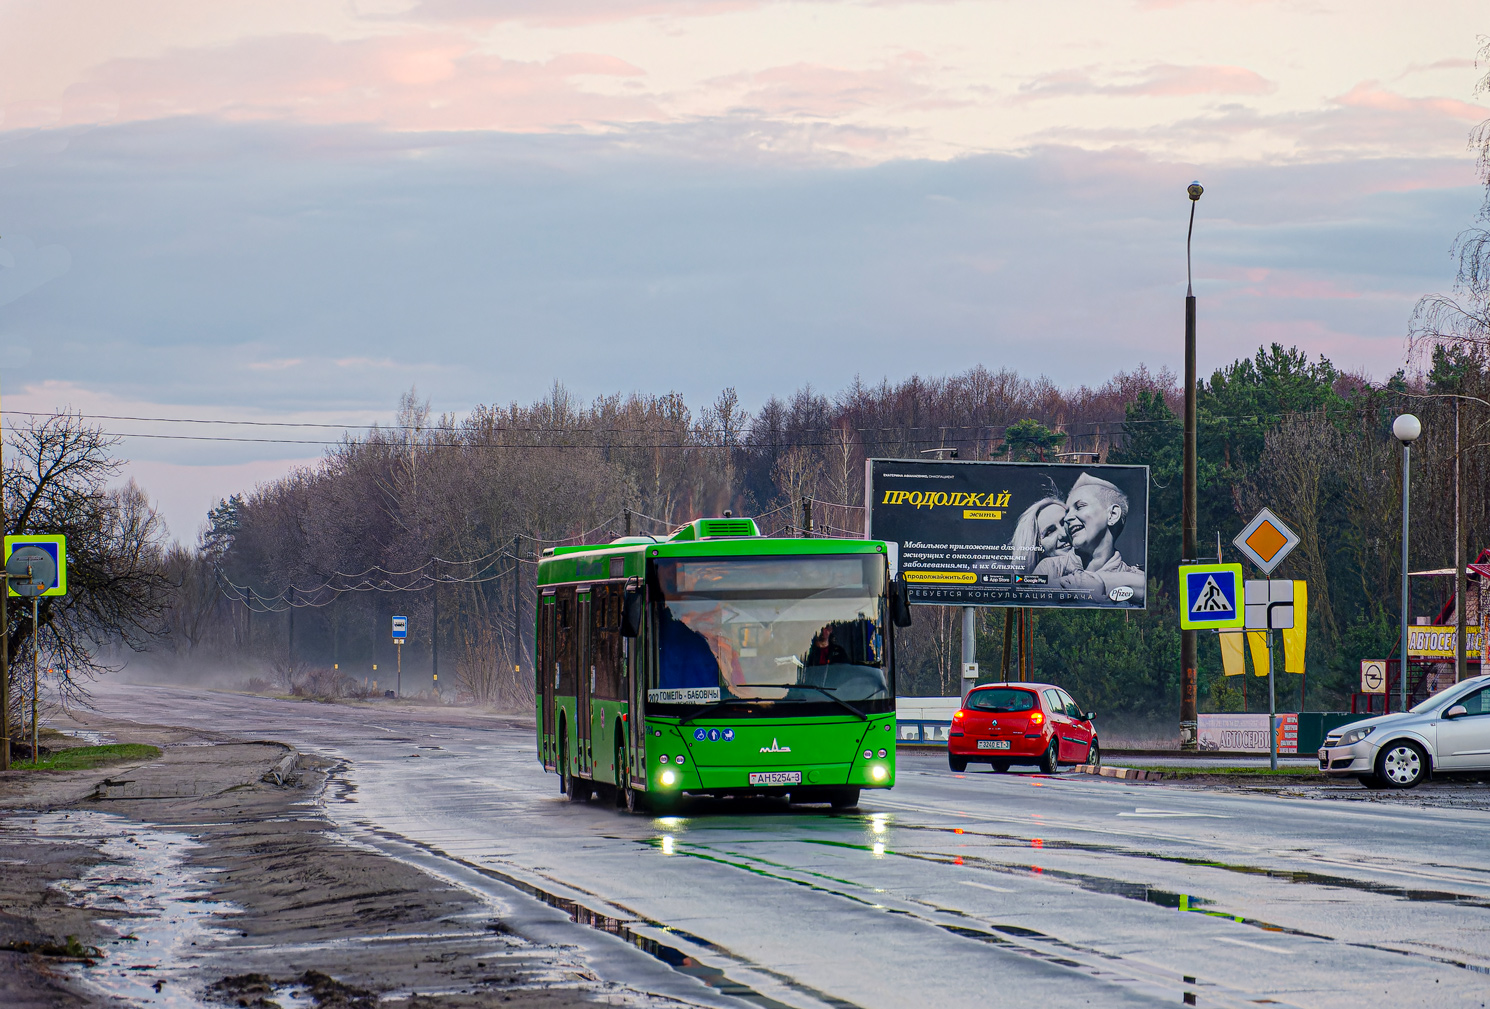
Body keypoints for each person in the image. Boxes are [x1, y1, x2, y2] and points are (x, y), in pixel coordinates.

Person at [1058, 473, 1145, 603]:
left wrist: (1100, 582)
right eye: (1067, 511)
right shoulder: (1051, 568)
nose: (1067, 518)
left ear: (1112, 515)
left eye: (1080, 506)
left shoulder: (1139, 579)